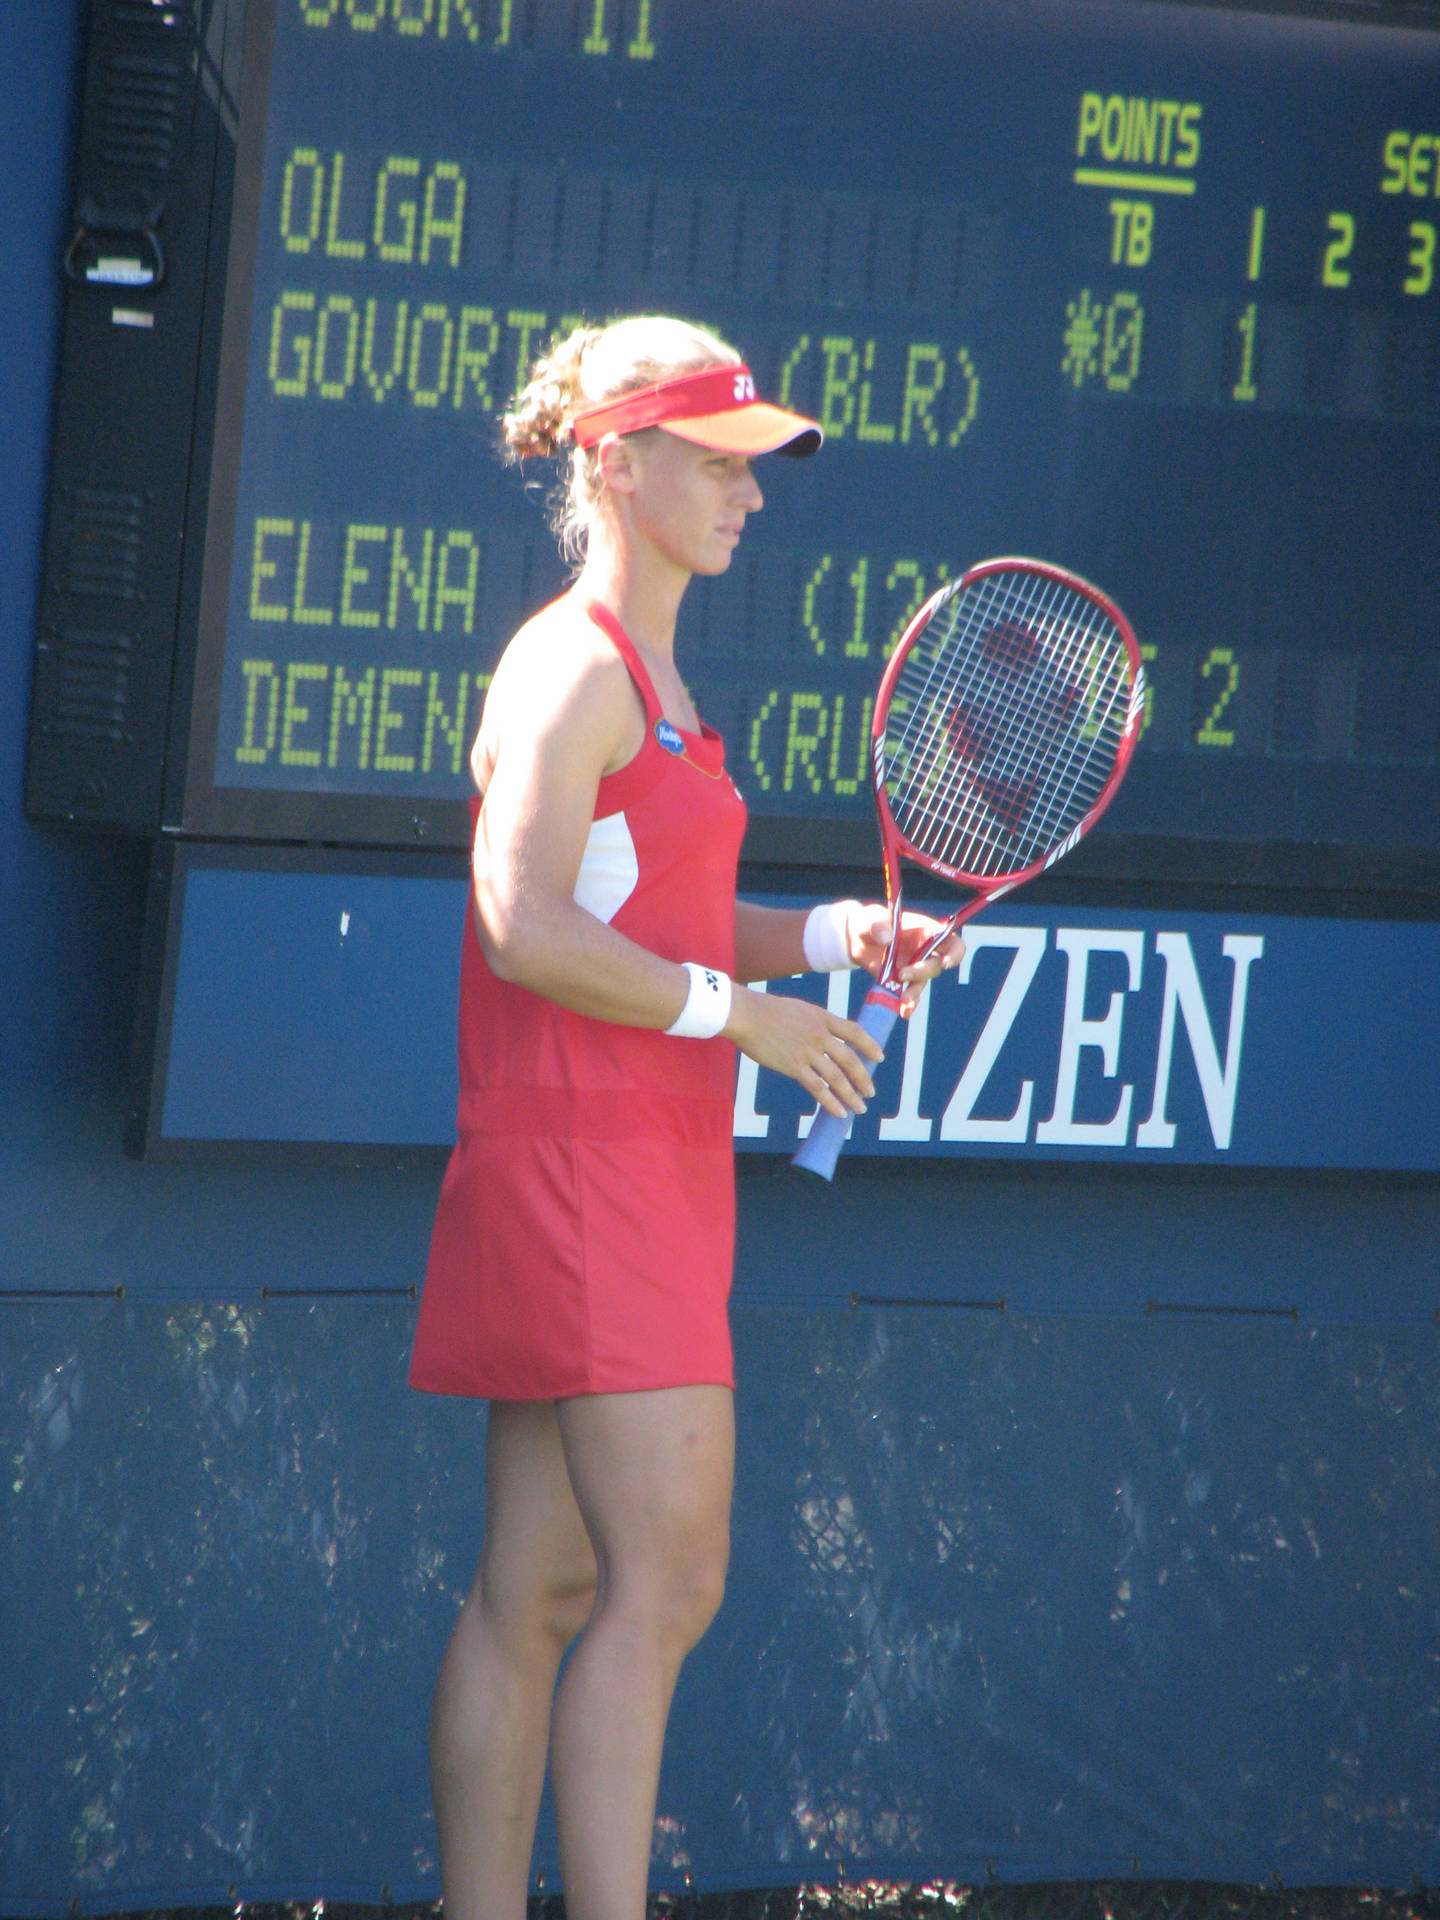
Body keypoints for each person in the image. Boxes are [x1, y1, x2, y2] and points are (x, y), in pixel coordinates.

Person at [408, 314, 960, 1920]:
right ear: (616, 461)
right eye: (718, 461)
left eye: (755, 463)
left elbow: (660, 919)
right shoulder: (574, 667)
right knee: (668, 1583)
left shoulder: (654, 675)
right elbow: (523, 927)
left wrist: (829, 943)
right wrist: (749, 1022)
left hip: (611, 1166)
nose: (751, 494)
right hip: (584, 1174)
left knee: (547, 1583)